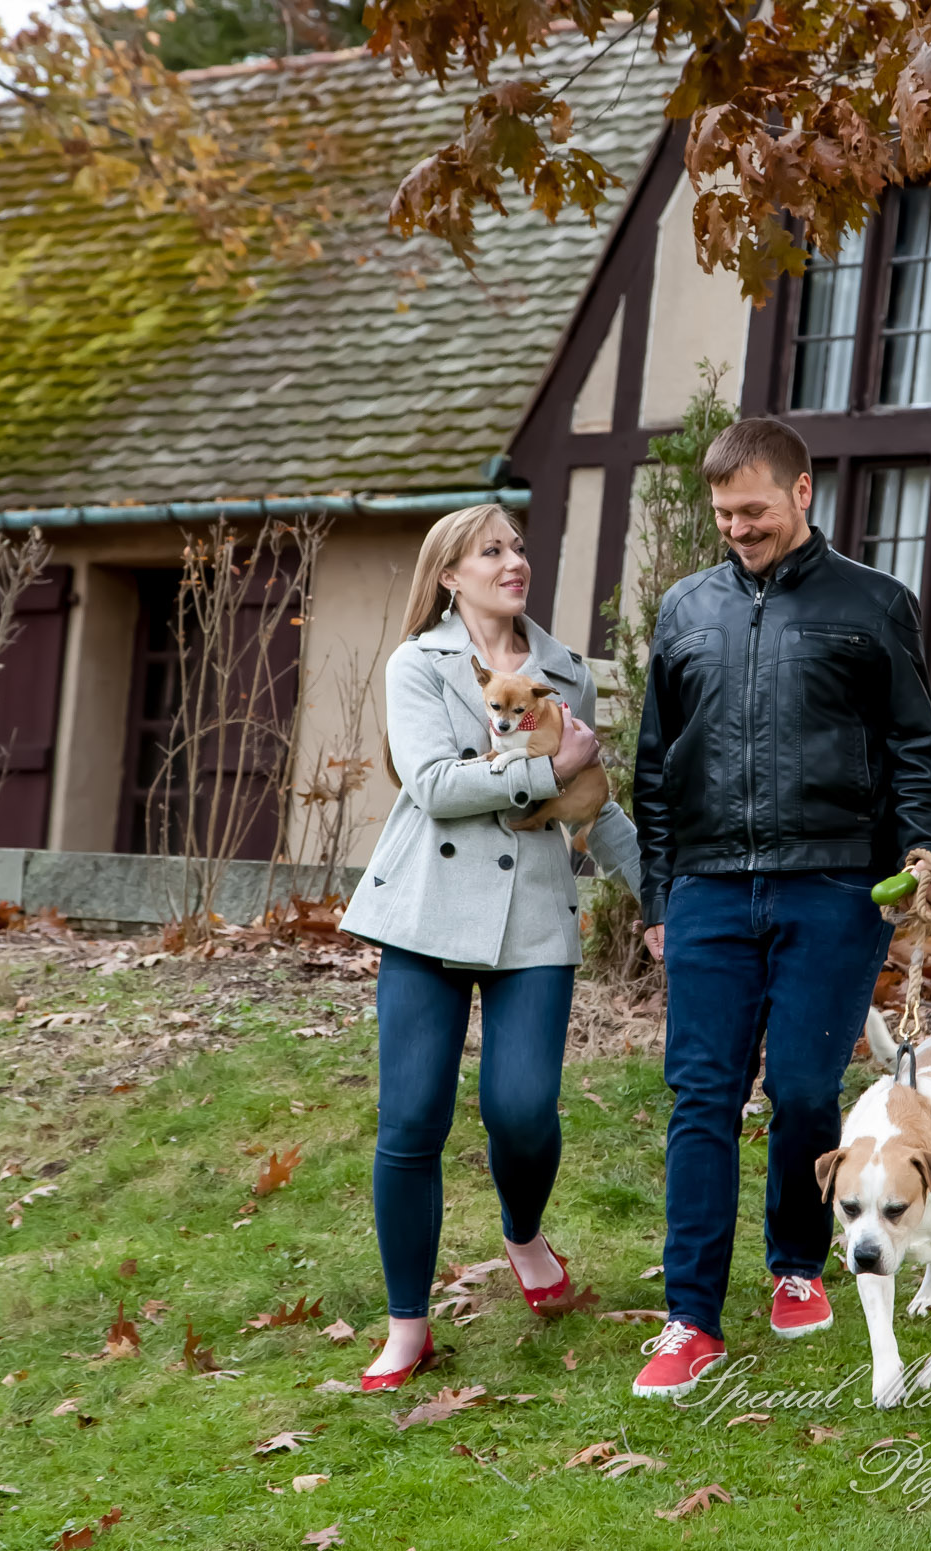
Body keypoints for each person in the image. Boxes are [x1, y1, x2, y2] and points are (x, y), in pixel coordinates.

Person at [629, 417, 931, 1399]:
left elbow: (914, 748)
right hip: (708, 888)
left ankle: (796, 1264)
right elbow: (655, 766)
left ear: (802, 492)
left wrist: (925, 847)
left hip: (834, 886)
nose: (738, 528)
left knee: (808, 1092)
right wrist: (659, 893)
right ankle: (691, 1317)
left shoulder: (874, 604)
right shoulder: (686, 610)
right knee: (702, 1097)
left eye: (755, 510)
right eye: (724, 514)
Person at [340, 504, 640, 1390]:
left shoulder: (565, 671)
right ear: (450, 575)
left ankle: (522, 1231)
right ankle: (407, 1324)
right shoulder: (418, 663)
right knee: (411, 1122)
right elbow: (434, 785)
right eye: (492, 550)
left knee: (522, 1109)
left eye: (518, 547)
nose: (515, 561)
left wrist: (657, 892)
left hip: (534, 912)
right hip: (427, 911)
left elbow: (592, 797)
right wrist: (547, 768)